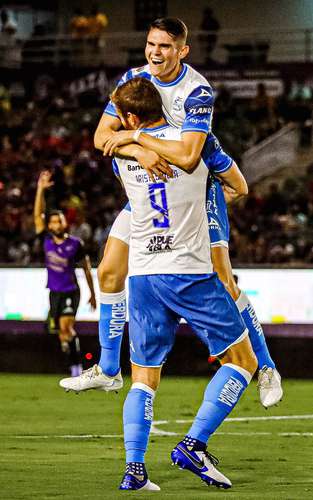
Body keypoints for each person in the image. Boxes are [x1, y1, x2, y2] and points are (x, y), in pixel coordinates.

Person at [63, 17, 282, 408]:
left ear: (182, 50)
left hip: (199, 187)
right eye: (150, 44)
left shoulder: (197, 91)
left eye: (164, 47)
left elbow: (189, 154)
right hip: (151, 183)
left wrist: (133, 138)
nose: (155, 53)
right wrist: (141, 150)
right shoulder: (133, 78)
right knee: (110, 270)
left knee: (224, 281)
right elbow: (101, 137)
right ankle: (109, 370)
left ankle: (265, 366)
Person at [103, 76, 257, 491]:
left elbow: (113, 139)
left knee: (143, 376)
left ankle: (134, 471)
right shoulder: (198, 142)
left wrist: (132, 141)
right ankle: (193, 444)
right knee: (243, 362)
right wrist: (200, 196)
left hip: (144, 275)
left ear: (131, 116)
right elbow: (239, 187)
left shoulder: (121, 152)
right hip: (188, 270)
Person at [34, 170, 98, 376]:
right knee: (61, 333)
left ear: (65, 223)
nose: (55, 224)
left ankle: (76, 368)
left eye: (59, 220)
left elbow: (87, 269)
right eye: (52, 221)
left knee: (67, 328)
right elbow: (37, 215)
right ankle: (70, 352)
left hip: (71, 290)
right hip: (54, 292)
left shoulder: (75, 244)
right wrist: (40, 189)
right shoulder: (46, 239)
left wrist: (93, 293)